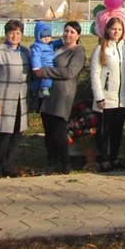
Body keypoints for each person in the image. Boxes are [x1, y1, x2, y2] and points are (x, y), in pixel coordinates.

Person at [37, 21, 87, 174]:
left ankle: (65, 164)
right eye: (66, 31)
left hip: (62, 95)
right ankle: (52, 162)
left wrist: (45, 72)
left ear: (78, 35)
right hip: (48, 94)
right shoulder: (57, 47)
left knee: (59, 131)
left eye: (72, 32)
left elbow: (69, 72)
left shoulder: (78, 51)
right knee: (49, 131)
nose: (68, 34)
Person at [0, 20, 31, 179]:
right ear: (6, 33)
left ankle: (8, 165)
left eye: (18, 33)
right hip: (3, 98)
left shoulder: (25, 51)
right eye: (12, 32)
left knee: (17, 133)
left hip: (21, 99)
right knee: (4, 134)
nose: (15, 36)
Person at [89, 16, 125, 173]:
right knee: (104, 131)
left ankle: (115, 158)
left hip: (122, 99)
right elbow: (95, 74)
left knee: (117, 131)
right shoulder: (101, 49)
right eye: (113, 29)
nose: (116, 32)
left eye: (119, 29)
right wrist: (99, 96)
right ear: (107, 29)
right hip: (106, 98)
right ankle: (103, 159)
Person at [29, 21, 61, 101]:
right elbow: (35, 57)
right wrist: (36, 67)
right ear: (38, 37)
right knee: (47, 78)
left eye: (48, 36)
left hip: (46, 66)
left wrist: (61, 41)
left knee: (37, 80)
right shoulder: (37, 46)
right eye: (44, 37)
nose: (47, 38)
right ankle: (44, 89)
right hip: (43, 66)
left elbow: (55, 43)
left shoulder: (49, 44)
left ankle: (33, 90)